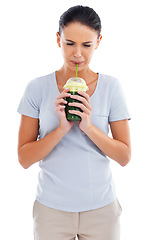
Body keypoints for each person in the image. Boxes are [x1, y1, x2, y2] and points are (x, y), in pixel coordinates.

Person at [17, 5, 131, 240]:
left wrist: (88, 127)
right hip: (51, 211)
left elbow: (124, 156)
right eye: (70, 43)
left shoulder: (112, 87)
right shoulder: (37, 88)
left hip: (102, 210)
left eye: (86, 45)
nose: (77, 53)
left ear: (98, 42)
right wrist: (62, 129)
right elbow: (24, 158)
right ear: (58, 39)